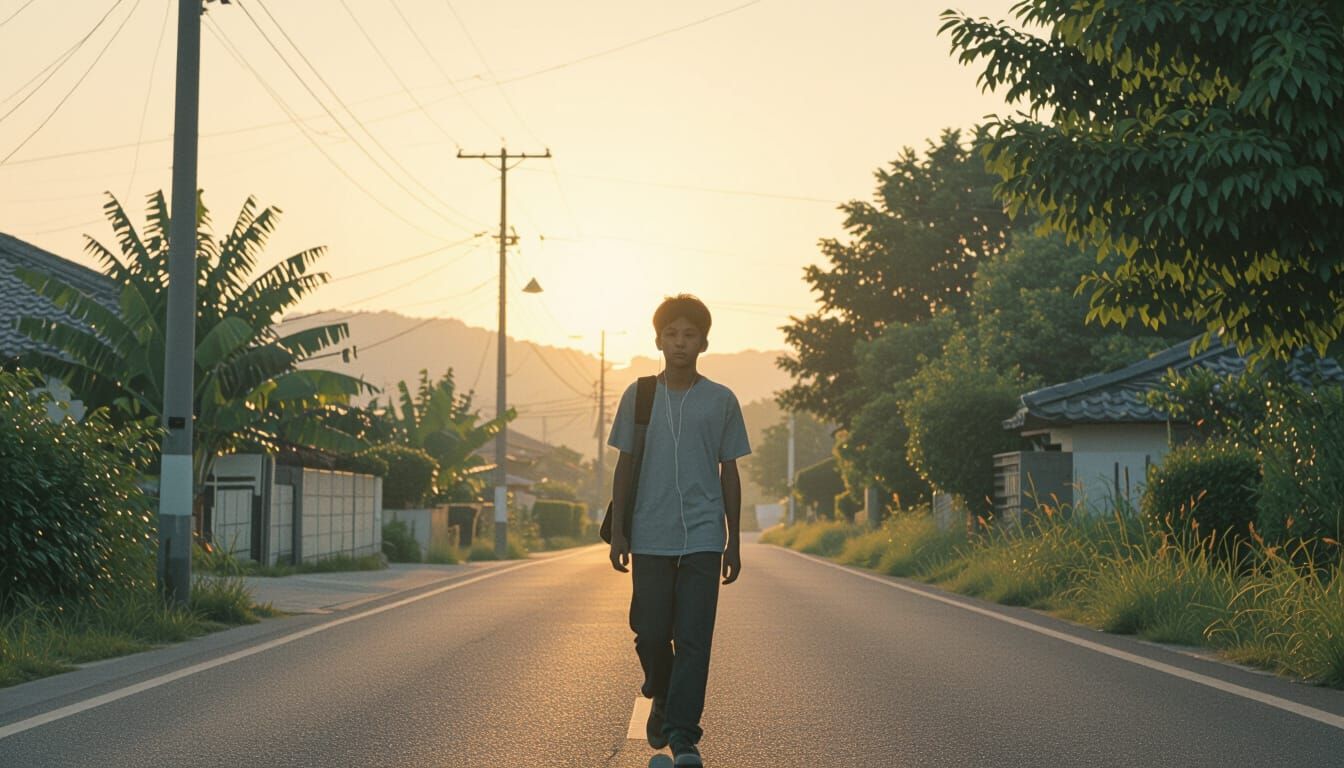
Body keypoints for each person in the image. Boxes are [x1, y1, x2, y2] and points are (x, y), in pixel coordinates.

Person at [608, 294, 751, 768]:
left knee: (693, 639)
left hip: (705, 539)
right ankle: (661, 694)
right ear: (658, 340)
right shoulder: (640, 396)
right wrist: (622, 532)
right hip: (649, 535)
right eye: (672, 334)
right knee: (649, 633)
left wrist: (733, 538)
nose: (680, 342)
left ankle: (683, 736)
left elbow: (729, 472)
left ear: (704, 342)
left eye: (690, 335)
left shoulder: (721, 400)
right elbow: (625, 465)